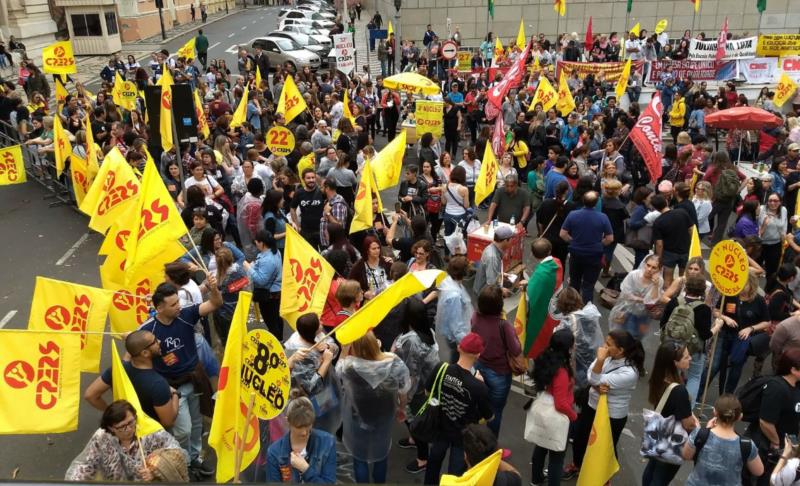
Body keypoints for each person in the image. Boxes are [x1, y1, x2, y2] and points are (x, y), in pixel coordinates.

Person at [138, 281, 221, 477]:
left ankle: (195, 458)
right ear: (159, 307)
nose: (179, 307)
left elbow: (215, 303)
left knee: (198, 422)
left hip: (195, 379)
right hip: (172, 389)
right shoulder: (147, 331)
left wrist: (214, 288)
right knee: (182, 430)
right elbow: (134, 356)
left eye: (178, 302)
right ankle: (182, 462)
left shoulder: (186, 315)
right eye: (173, 304)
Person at [566, 329, 645, 480]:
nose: (603, 347)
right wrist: (597, 383)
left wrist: (600, 363)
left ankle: (602, 477)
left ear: (621, 350)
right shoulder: (608, 356)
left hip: (611, 415)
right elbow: (591, 376)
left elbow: (594, 378)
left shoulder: (629, 372)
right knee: (581, 438)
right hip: (591, 405)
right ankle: (577, 465)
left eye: (608, 344)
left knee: (604, 447)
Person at [337, 332, 410, 484]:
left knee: (359, 457)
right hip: (384, 415)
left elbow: (338, 370)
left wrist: (344, 351)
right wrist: (401, 409)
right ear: (375, 344)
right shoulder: (393, 362)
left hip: (358, 416)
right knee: (381, 453)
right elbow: (404, 390)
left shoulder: (349, 367)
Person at [423, 333, 493, 484]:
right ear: (478, 355)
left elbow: (428, 392)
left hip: (440, 427)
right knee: (456, 474)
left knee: (434, 461)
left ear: (459, 347)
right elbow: (489, 416)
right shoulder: (479, 386)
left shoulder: (441, 368)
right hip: (463, 436)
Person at [66, 400, 185, 482]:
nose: (128, 428)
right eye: (122, 426)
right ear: (111, 428)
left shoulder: (151, 432)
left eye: (131, 422)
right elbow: (86, 465)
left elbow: (177, 452)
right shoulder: (102, 437)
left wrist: (155, 471)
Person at [84, 331, 179, 428]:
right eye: (154, 342)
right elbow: (168, 422)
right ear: (145, 353)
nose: (159, 341)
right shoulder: (158, 384)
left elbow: (90, 395)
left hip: (127, 432)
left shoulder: (117, 369)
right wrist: (175, 394)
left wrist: (114, 414)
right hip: (150, 435)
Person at [392, 299, 441, 474]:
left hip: (416, 389)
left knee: (414, 421)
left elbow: (410, 373)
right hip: (426, 385)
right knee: (414, 420)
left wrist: (404, 400)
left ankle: (423, 459)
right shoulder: (427, 331)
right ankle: (414, 439)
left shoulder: (411, 340)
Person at [641, 341, 698, 485]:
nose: (690, 358)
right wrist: (696, 423)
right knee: (661, 478)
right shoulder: (679, 390)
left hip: (659, 434)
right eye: (685, 357)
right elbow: (687, 423)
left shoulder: (659, 378)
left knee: (651, 470)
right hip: (672, 439)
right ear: (675, 363)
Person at [661, 275, 721, 408]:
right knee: (694, 376)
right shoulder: (703, 309)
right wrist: (717, 326)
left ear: (686, 288)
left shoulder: (674, 302)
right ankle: (686, 408)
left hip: (671, 347)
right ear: (703, 291)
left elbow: (663, 324)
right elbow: (705, 335)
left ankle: (665, 403)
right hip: (693, 349)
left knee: (670, 374)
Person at [470, 285, 522, 438]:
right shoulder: (504, 325)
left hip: (479, 366)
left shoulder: (475, 316)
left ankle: (472, 437)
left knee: (478, 404)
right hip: (499, 372)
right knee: (495, 411)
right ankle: (490, 445)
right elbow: (516, 350)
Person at [745, 347, 800, 486]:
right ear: (793, 370)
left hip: (786, 446)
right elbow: (765, 422)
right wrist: (777, 443)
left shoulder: (796, 386)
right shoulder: (777, 388)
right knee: (762, 480)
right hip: (766, 447)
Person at [681, 394, 764, 485]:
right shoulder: (746, 445)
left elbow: (686, 455)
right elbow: (758, 471)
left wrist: (706, 430)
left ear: (714, 412)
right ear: (740, 416)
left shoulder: (700, 434)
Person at [530, 329, 578, 486]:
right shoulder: (562, 371)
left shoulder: (545, 358)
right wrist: (573, 416)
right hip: (558, 415)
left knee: (541, 445)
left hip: (543, 407)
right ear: (568, 348)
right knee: (557, 458)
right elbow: (561, 403)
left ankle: (536, 479)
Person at [284, 313, 341, 435]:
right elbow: (311, 387)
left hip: (327, 387)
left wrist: (327, 346)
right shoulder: (300, 353)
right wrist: (326, 362)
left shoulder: (314, 335)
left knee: (328, 416)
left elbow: (334, 347)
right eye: (318, 323)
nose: (321, 324)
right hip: (315, 397)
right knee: (318, 423)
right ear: (313, 330)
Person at [266, 394, 337, 484]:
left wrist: (305, 469)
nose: (304, 432)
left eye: (308, 426)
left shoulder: (328, 443)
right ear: (288, 422)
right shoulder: (274, 453)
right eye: (299, 427)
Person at [559, 191, 613, 303]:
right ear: (596, 203)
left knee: (574, 282)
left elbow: (562, 234)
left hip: (576, 254)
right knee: (588, 286)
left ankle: (572, 308)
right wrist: (599, 244)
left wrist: (573, 241)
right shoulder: (603, 217)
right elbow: (610, 238)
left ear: (583, 201)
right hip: (594, 256)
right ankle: (587, 309)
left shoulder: (573, 215)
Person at [608, 254, 664, 340]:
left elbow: (652, 300)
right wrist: (642, 300)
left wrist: (655, 285)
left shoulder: (659, 281)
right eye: (648, 265)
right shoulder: (633, 275)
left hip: (643, 315)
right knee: (618, 335)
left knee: (636, 337)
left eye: (654, 268)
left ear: (659, 270)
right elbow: (626, 292)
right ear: (644, 264)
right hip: (626, 310)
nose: (649, 269)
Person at [652, 193, 693, 290]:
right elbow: (691, 229)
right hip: (685, 251)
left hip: (669, 253)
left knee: (667, 279)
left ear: (655, 208)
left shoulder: (658, 222)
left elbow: (659, 244)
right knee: (684, 277)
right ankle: (681, 296)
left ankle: (668, 299)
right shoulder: (682, 212)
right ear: (666, 201)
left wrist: (659, 258)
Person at [436, 255, 473, 362]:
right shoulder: (454, 296)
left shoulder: (448, 282)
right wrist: (466, 343)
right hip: (454, 338)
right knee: (456, 362)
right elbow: (456, 325)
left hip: (449, 334)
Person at [249, 230, 283, 340]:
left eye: (257, 241)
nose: (256, 243)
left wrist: (249, 268)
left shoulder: (268, 259)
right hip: (276, 293)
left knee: (271, 321)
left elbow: (261, 280)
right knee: (277, 319)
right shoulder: (275, 251)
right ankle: (280, 339)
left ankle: (277, 343)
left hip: (269, 296)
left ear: (262, 243)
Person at [473, 225, 514, 296]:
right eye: (511, 239)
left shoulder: (492, 247)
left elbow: (490, 270)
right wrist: (502, 290)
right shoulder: (492, 257)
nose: (511, 241)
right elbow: (491, 284)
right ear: (505, 240)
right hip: (485, 295)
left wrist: (501, 274)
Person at [290, 168, 326, 250]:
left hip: (321, 229)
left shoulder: (321, 192)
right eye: (308, 178)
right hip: (306, 231)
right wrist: (297, 225)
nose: (311, 180)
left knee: (325, 255)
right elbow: (292, 208)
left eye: (313, 178)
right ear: (303, 179)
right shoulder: (299, 193)